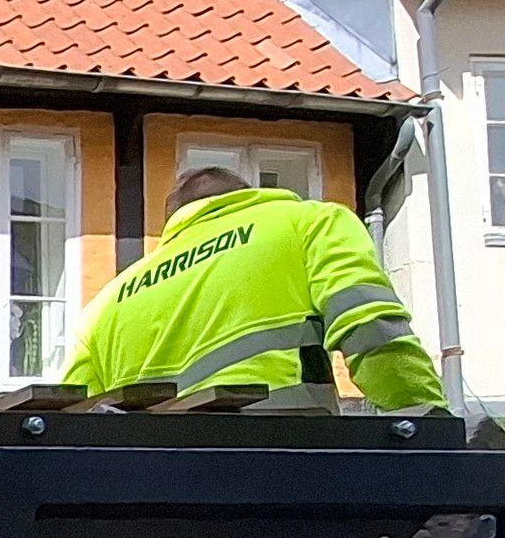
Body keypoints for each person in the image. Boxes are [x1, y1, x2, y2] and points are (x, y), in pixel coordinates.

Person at [59, 168, 445, 411]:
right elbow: (370, 326)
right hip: (286, 465)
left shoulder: (106, 303)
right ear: (245, 198)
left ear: (177, 222)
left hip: (154, 492)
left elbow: (72, 416)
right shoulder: (308, 222)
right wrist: (425, 419)